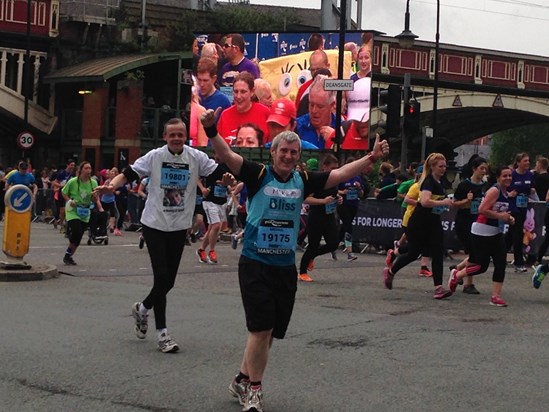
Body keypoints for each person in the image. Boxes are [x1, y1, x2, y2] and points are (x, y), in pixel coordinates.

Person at [200, 107, 389, 412]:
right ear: (272, 152)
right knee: (260, 329)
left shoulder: (302, 180)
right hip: (255, 263)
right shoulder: (257, 174)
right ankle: (255, 390)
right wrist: (210, 129)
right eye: (283, 151)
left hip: (284, 267)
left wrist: (371, 158)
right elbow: (228, 155)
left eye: (293, 152)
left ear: (299, 155)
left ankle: (241, 379)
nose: (287, 156)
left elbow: (340, 174)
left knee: (270, 331)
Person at [94, 118, 221, 353]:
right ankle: (163, 334)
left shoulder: (195, 157)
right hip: (154, 225)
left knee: (169, 281)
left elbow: (217, 172)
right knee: (162, 277)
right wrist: (112, 185)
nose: (176, 138)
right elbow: (130, 172)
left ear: (186, 137)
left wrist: (229, 180)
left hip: (179, 226)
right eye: (172, 135)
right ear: (165, 136)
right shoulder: (154, 156)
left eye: (180, 135)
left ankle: (142, 308)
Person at [383, 153, 455, 299]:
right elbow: (425, 202)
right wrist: (443, 203)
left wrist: (446, 201)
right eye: (440, 166)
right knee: (413, 253)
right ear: (432, 167)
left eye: (445, 166)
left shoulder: (439, 182)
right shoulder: (428, 182)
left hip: (433, 221)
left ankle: (438, 287)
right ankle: (391, 271)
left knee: (437, 251)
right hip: (419, 222)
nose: (443, 169)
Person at [448, 166, 516, 307]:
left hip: (496, 232)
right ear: (498, 178)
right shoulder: (494, 190)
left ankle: (495, 296)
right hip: (482, 231)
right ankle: (458, 274)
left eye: (510, 175)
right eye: (505, 176)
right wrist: (500, 216)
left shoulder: (506, 192)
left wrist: (509, 219)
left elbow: (501, 213)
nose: (508, 178)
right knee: (481, 266)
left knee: (500, 263)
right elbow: (482, 210)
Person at [298, 154, 342, 282]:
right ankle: (302, 272)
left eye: (337, 168)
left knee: (334, 243)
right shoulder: (317, 180)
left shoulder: (334, 182)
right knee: (313, 245)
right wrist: (322, 201)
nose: (335, 171)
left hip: (329, 215)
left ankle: (312, 256)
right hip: (316, 216)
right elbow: (306, 198)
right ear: (324, 167)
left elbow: (334, 195)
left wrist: (338, 198)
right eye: (332, 168)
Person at [450, 157, 489, 294]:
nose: (484, 172)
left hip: (478, 223)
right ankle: (468, 283)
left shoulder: (485, 186)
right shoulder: (464, 185)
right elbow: (454, 204)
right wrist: (466, 200)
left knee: (476, 252)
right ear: (474, 169)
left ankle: (458, 269)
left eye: (485, 169)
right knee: (474, 254)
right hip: (464, 222)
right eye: (481, 168)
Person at [61, 161, 103, 265]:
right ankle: (68, 229)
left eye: (90, 168)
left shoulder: (93, 182)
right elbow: (63, 192)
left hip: (85, 211)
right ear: (81, 170)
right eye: (86, 168)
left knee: (78, 237)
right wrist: (70, 201)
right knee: (76, 230)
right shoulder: (73, 181)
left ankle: (68, 255)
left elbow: (95, 199)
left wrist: (94, 196)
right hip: (73, 210)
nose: (89, 171)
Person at [216, 71, 270, 145]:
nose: (238, 96)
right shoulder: (225, 115)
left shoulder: (265, 112)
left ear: (252, 92)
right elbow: (218, 147)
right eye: (236, 91)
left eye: (243, 92)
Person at [506, 152, 536, 272]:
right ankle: (519, 263)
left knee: (510, 235)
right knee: (518, 235)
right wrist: (509, 194)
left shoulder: (530, 175)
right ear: (518, 163)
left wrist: (532, 190)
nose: (527, 163)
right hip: (513, 208)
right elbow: (503, 189)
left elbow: (532, 188)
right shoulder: (512, 175)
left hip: (524, 208)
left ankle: (496, 253)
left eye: (528, 161)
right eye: (525, 161)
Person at [337, 157, 367, 262]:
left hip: (353, 204)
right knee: (348, 225)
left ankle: (332, 246)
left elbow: (361, 193)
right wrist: (342, 192)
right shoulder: (342, 177)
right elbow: (334, 189)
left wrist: (359, 188)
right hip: (343, 204)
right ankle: (350, 252)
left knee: (344, 227)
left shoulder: (357, 178)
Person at [296, 75, 336, 149]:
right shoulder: (297, 126)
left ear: (332, 105)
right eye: (311, 105)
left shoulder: (341, 129)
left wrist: (334, 140)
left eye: (320, 107)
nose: (314, 110)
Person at [51, 158, 76, 232]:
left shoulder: (73, 174)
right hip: (61, 193)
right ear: (67, 165)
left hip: (70, 194)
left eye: (74, 165)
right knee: (62, 210)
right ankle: (61, 224)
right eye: (71, 165)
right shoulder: (61, 173)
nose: (72, 166)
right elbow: (54, 183)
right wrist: (61, 186)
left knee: (68, 209)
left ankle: (65, 223)